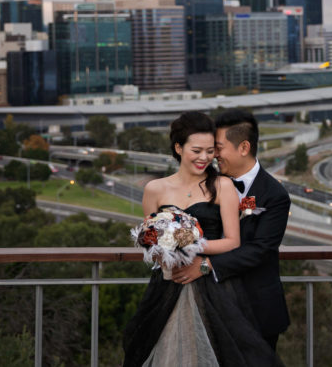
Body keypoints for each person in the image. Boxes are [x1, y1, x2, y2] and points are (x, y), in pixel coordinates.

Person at [121, 111, 282, 366]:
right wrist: (165, 249)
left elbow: (233, 241)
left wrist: (189, 244)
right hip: (167, 285)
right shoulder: (154, 189)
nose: (205, 158)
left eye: (210, 151)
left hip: (213, 289)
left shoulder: (222, 186)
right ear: (178, 147)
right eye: (197, 150)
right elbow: (151, 240)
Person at [174, 109, 291, 351]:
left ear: (244, 148)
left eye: (218, 147)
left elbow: (260, 249)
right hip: (210, 305)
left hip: (257, 307)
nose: (213, 155)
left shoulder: (275, 195)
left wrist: (206, 266)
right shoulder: (203, 183)